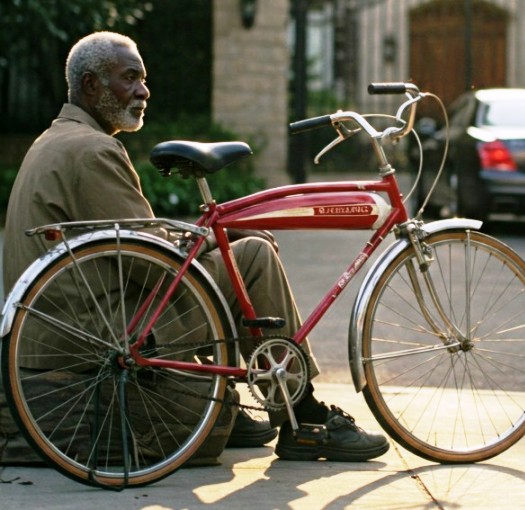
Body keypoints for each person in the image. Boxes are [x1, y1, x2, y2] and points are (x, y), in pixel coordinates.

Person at [1, 31, 388, 463]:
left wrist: (205, 241)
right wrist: (215, 243)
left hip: (61, 328)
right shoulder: (93, 150)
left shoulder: (55, 140)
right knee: (253, 258)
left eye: (144, 79)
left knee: (235, 251)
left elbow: (133, 243)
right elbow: (153, 265)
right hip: (96, 333)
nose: (143, 91)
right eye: (130, 78)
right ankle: (303, 416)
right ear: (91, 85)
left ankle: (230, 404)